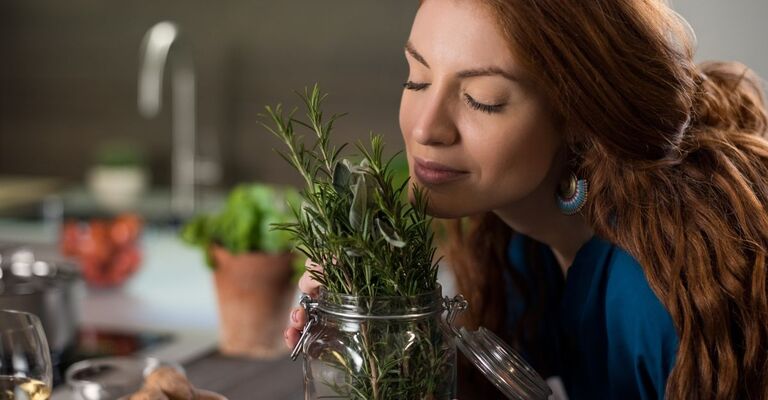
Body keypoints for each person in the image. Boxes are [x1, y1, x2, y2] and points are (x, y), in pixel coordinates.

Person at [286, 0, 768, 399]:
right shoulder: (519, 239)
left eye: (483, 99)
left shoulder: (650, 294)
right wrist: (362, 288)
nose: (425, 128)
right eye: (417, 78)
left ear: (579, 114)